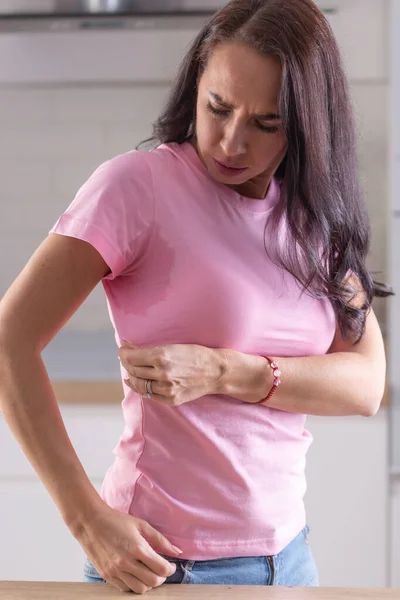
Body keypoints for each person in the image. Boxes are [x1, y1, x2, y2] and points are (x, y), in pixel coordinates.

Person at [0, 0, 393, 593]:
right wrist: (87, 521)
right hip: (164, 567)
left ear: (308, 122)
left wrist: (224, 370)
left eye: (267, 123)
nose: (232, 141)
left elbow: (366, 384)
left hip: (289, 560)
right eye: (219, 107)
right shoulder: (137, 188)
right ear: (196, 86)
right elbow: (10, 339)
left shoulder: (317, 218)